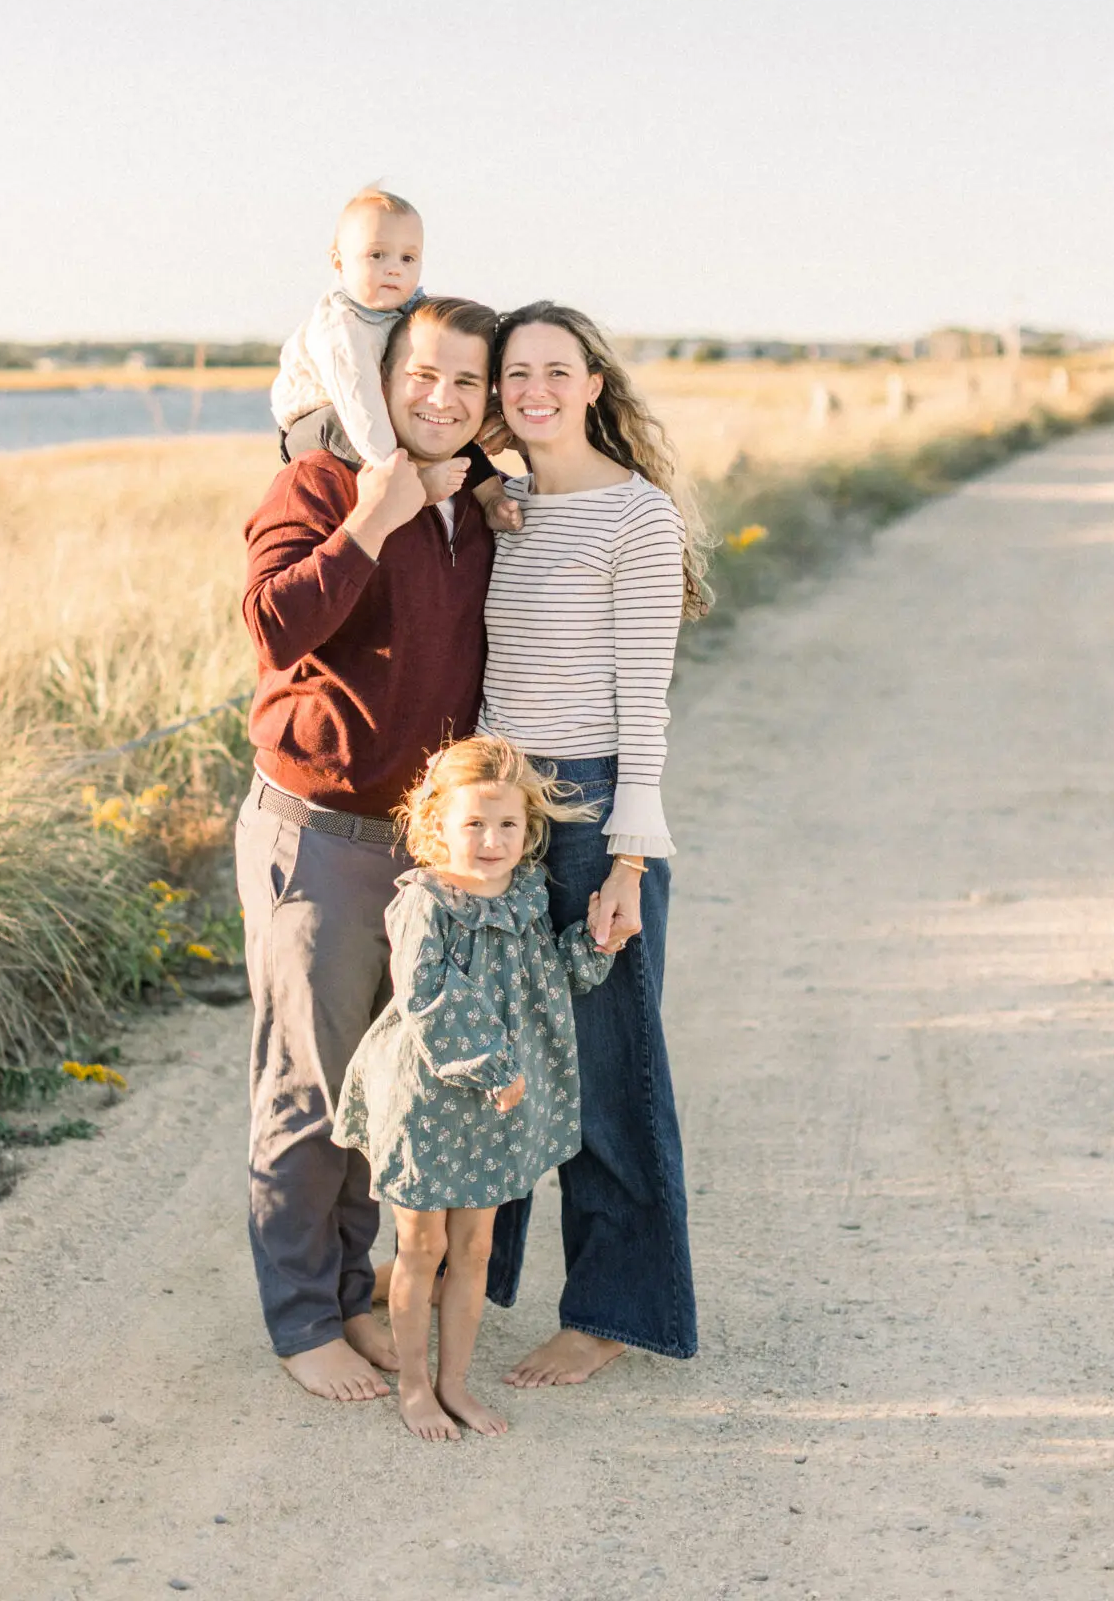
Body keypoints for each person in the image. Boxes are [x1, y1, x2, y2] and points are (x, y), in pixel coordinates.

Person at [237, 295, 499, 1402]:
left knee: (381, 1090)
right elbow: (270, 626)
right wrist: (368, 521)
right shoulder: (321, 487)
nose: (441, 399)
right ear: (383, 382)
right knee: (308, 1088)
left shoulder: (477, 507)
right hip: (321, 837)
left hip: (425, 852)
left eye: (467, 384)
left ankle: (351, 1292)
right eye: (422, 376)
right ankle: (303, 1316)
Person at [479, 299, 711, 1387]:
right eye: (515, 372)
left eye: (554, 369)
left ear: (593, 385)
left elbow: (643, 700)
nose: (534, 387)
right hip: (497, 815)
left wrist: (627, 857)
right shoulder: (501, 507)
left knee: (609, 1069)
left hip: (595, 807)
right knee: (504, 1060)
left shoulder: (637, 516)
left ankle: (614, 1306)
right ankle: (475, 1280)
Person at [332, 736, 615, 1440]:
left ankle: (456, 1382)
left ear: (528, 830)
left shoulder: (523, 894)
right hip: (428, 1095)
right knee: (420, 1248)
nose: (490, 840)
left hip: (497, 1103)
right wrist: (490, 1066)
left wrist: (593, 946)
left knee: (476, 1249)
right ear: (437, 825)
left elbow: (544, 981)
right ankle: (416, 1389)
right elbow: (429, 995)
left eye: (507, 825)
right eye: (472, 824)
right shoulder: (425, 903)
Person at [271, 187, 519, 530]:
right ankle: (412, 488)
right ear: (339, 262)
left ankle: (492, 497)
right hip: (317, 417)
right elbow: (359, 405)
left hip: (373, 406)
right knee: (349, 424)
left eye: (407, 258)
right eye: (377, 255)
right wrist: (410, 478)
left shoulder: (409, 308)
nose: (394, 270)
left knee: (446, 427)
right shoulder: (341, 327)